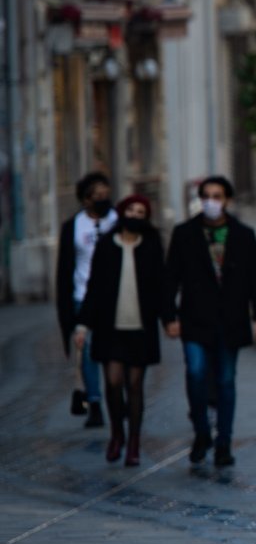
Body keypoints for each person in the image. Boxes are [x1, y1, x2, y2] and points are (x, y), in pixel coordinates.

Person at [165, 176, 256, 475]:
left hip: (231, 319)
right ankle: (201, 431)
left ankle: (224, 442)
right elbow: (171, 277)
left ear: (227, 200)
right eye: (207, 195)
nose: (212, 201)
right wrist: (169, 316)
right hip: (195, 318)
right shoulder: (185, 234)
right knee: (196, 373)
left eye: (217, 195)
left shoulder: (243, 234)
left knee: (225, 380)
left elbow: (255, 279)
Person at [73, 195, 171, 467]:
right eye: (131, 210)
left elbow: (161, 286)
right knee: (114, 383)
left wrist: (169, 319)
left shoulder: (151, 245)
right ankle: (117, 433)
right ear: (122, 212)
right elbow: (94, 287)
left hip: (141, 327)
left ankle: (135, 442)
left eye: (141, 212)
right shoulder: (106, 245)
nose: (135, 215)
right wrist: (83, 324)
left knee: (136, 386)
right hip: (110, 327)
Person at [56, 171, 117, 429]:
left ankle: (118, 398)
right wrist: (67, 308)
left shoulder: (118, 220)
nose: (103, 200)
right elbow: (65, 268)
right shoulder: (74, 227)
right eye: (96, 196)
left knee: (115, 351)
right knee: (89, 350)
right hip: (82, 296)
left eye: (106, 195)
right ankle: (94, 402)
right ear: (85, 199)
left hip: (114, 297)